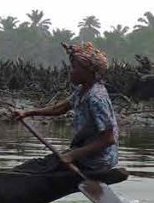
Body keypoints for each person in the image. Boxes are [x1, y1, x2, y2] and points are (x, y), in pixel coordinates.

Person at [12, 42, 119, 173]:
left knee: (35, 168)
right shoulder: (82, 91)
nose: (71, 71)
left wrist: (72, 155)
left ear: (89, 72)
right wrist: (27, 112)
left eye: (74, 68)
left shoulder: (96, 98)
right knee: (37, 165)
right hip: (85, 155)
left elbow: (108, 139)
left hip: (99, 160)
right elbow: (60, 109)